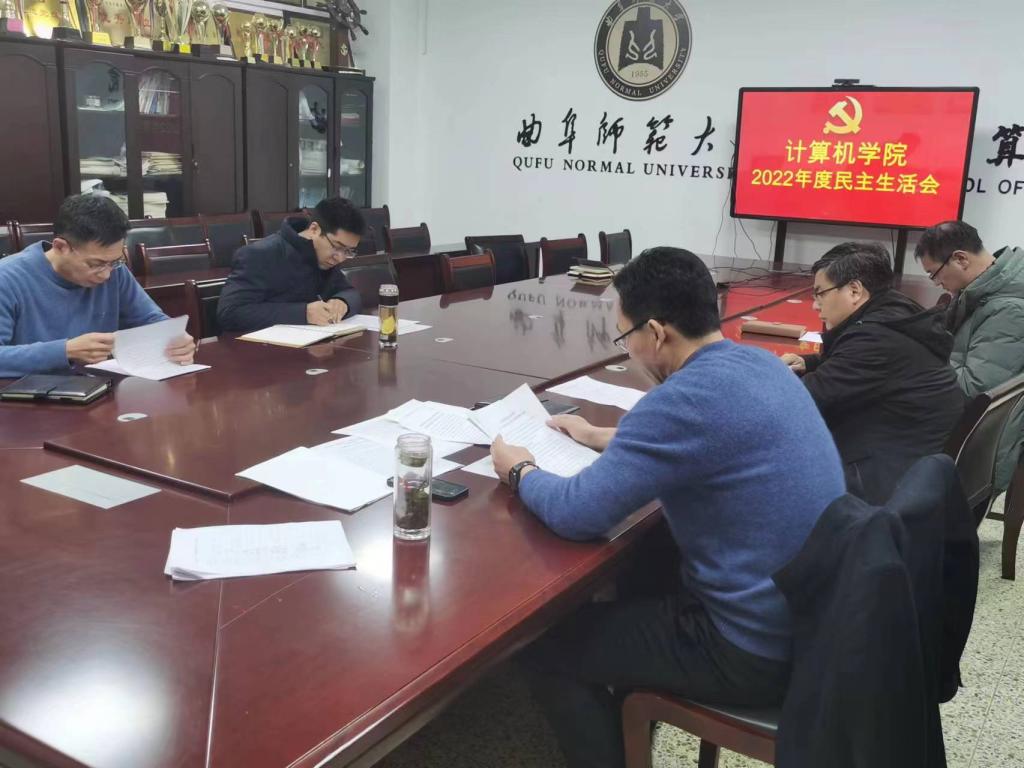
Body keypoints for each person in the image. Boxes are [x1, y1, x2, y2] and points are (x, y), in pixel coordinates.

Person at [490, 247, 845, 768]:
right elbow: (706, 436)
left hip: (749, 648)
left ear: (655, 333)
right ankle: (631, 730)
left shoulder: (683, 400)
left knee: (544, 648)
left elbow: (577, 512)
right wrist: (604, 436)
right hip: (811, 621)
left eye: (625, 336)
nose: (629, 350)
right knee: (645, 567)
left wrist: (520, 470)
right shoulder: (756, 364)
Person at [780, 242, 964, 504]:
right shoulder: (895, 312)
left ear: (854, 290)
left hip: (886, 477)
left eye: (820, 294)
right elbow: (852, 366)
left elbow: (806, 400)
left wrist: (764, 378)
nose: (815, 306)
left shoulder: (875, 338)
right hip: (912, 455)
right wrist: (808, 363)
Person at [0, 194, 195, 379]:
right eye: (95, 264)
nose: (106, 274)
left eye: (115, 262)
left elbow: (149, 319)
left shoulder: (115, 271)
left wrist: (174, 339)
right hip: (28, 397)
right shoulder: (8, 278)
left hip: (100, 389)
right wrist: (65, 351)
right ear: (60, 247)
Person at [915, 221, 1024, 494]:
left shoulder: (1009, 310)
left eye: (934, 274)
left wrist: (917, 360)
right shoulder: (981, 290)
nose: (937, 283)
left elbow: (972, 390)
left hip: (976, 445)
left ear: (961, 259)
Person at [217, 197, 365, 333]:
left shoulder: (326, 257)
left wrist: (342, 303)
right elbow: (230, 313)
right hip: (261, 348)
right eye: (337, 247)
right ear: (314, 229)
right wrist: (303, 313)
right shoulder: (259, 255)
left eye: (348, 251)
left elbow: (349, 292)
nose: (340, 257)